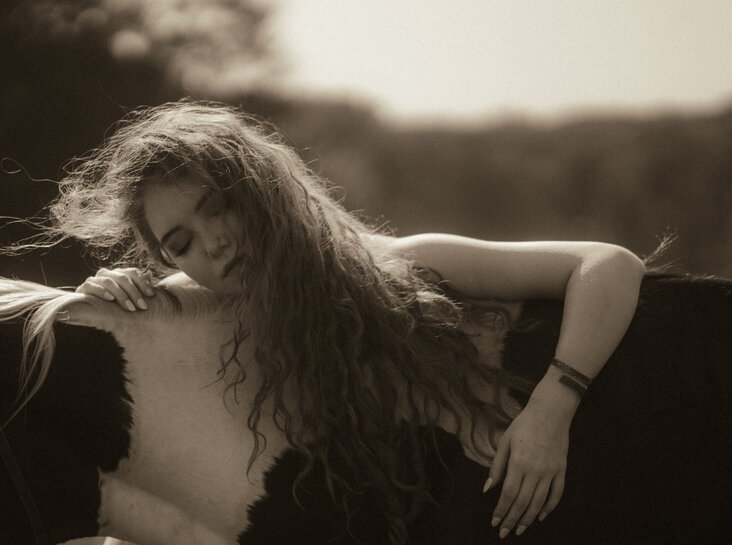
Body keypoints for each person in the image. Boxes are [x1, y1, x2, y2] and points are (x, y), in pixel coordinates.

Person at [45, 99, 643, 543]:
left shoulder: (396, 265)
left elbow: (608, 264)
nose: (216, 244)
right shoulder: (191, 316)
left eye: (219, 207)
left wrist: (551, 410)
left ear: (263, 189)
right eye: (181, 243)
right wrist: (113, 303)